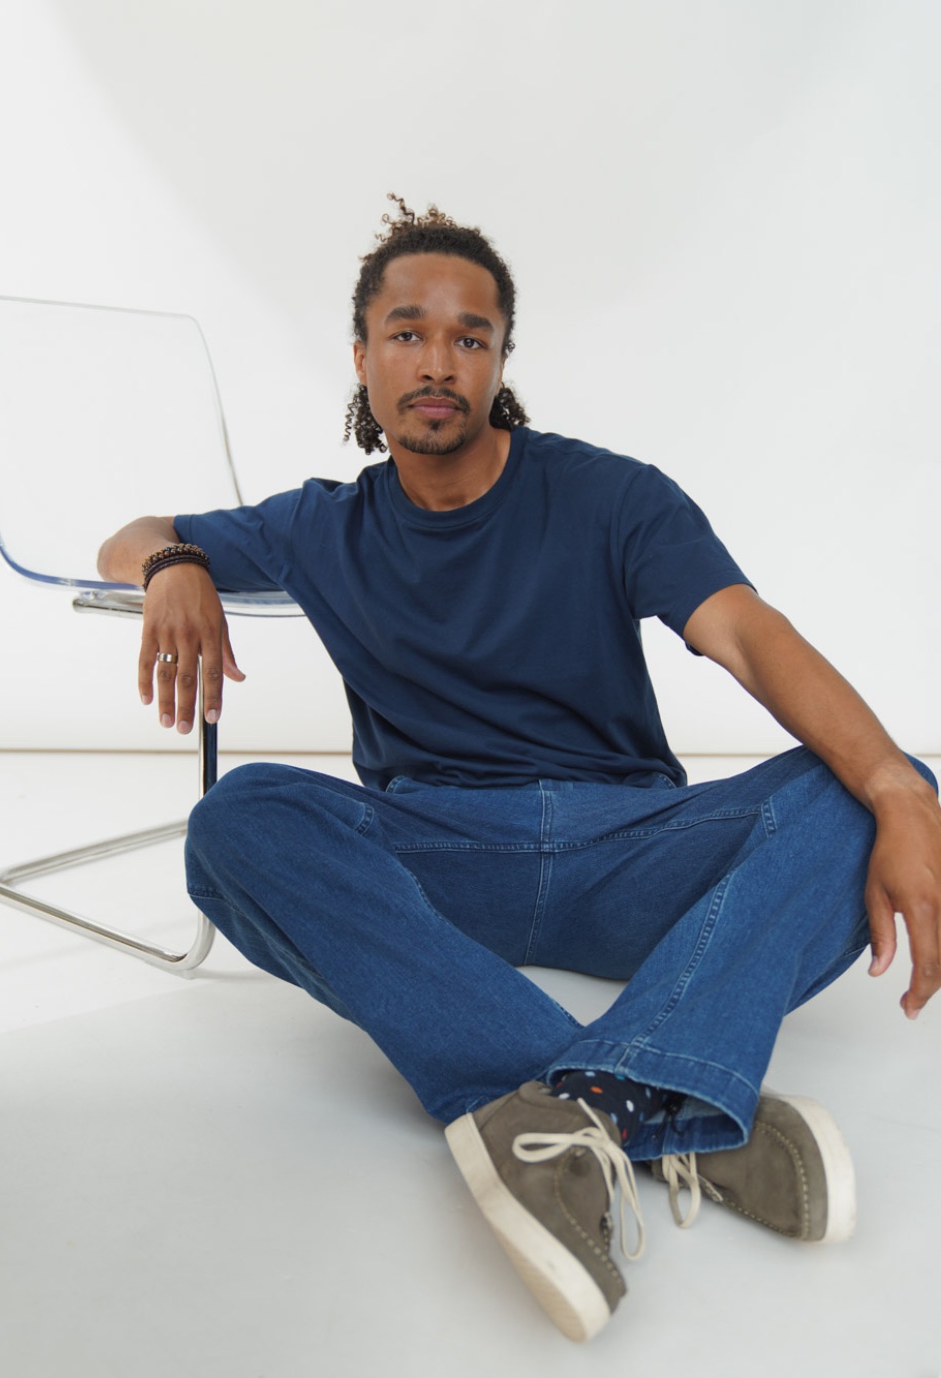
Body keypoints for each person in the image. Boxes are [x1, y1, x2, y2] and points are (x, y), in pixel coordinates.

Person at [98, 196, 941, 1343]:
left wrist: (894, 788)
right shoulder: (319, 526)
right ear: (362, 355)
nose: (437, 362)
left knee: (870, 784)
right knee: (239, 819)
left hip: (636, 854)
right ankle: (659, 1089)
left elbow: (747, 634)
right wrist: (177, 561)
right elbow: (129, 534)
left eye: (470, 336)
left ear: (500, 360)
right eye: (407, 333)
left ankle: (570, 1102)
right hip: (444, 859)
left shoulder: (610, 494)